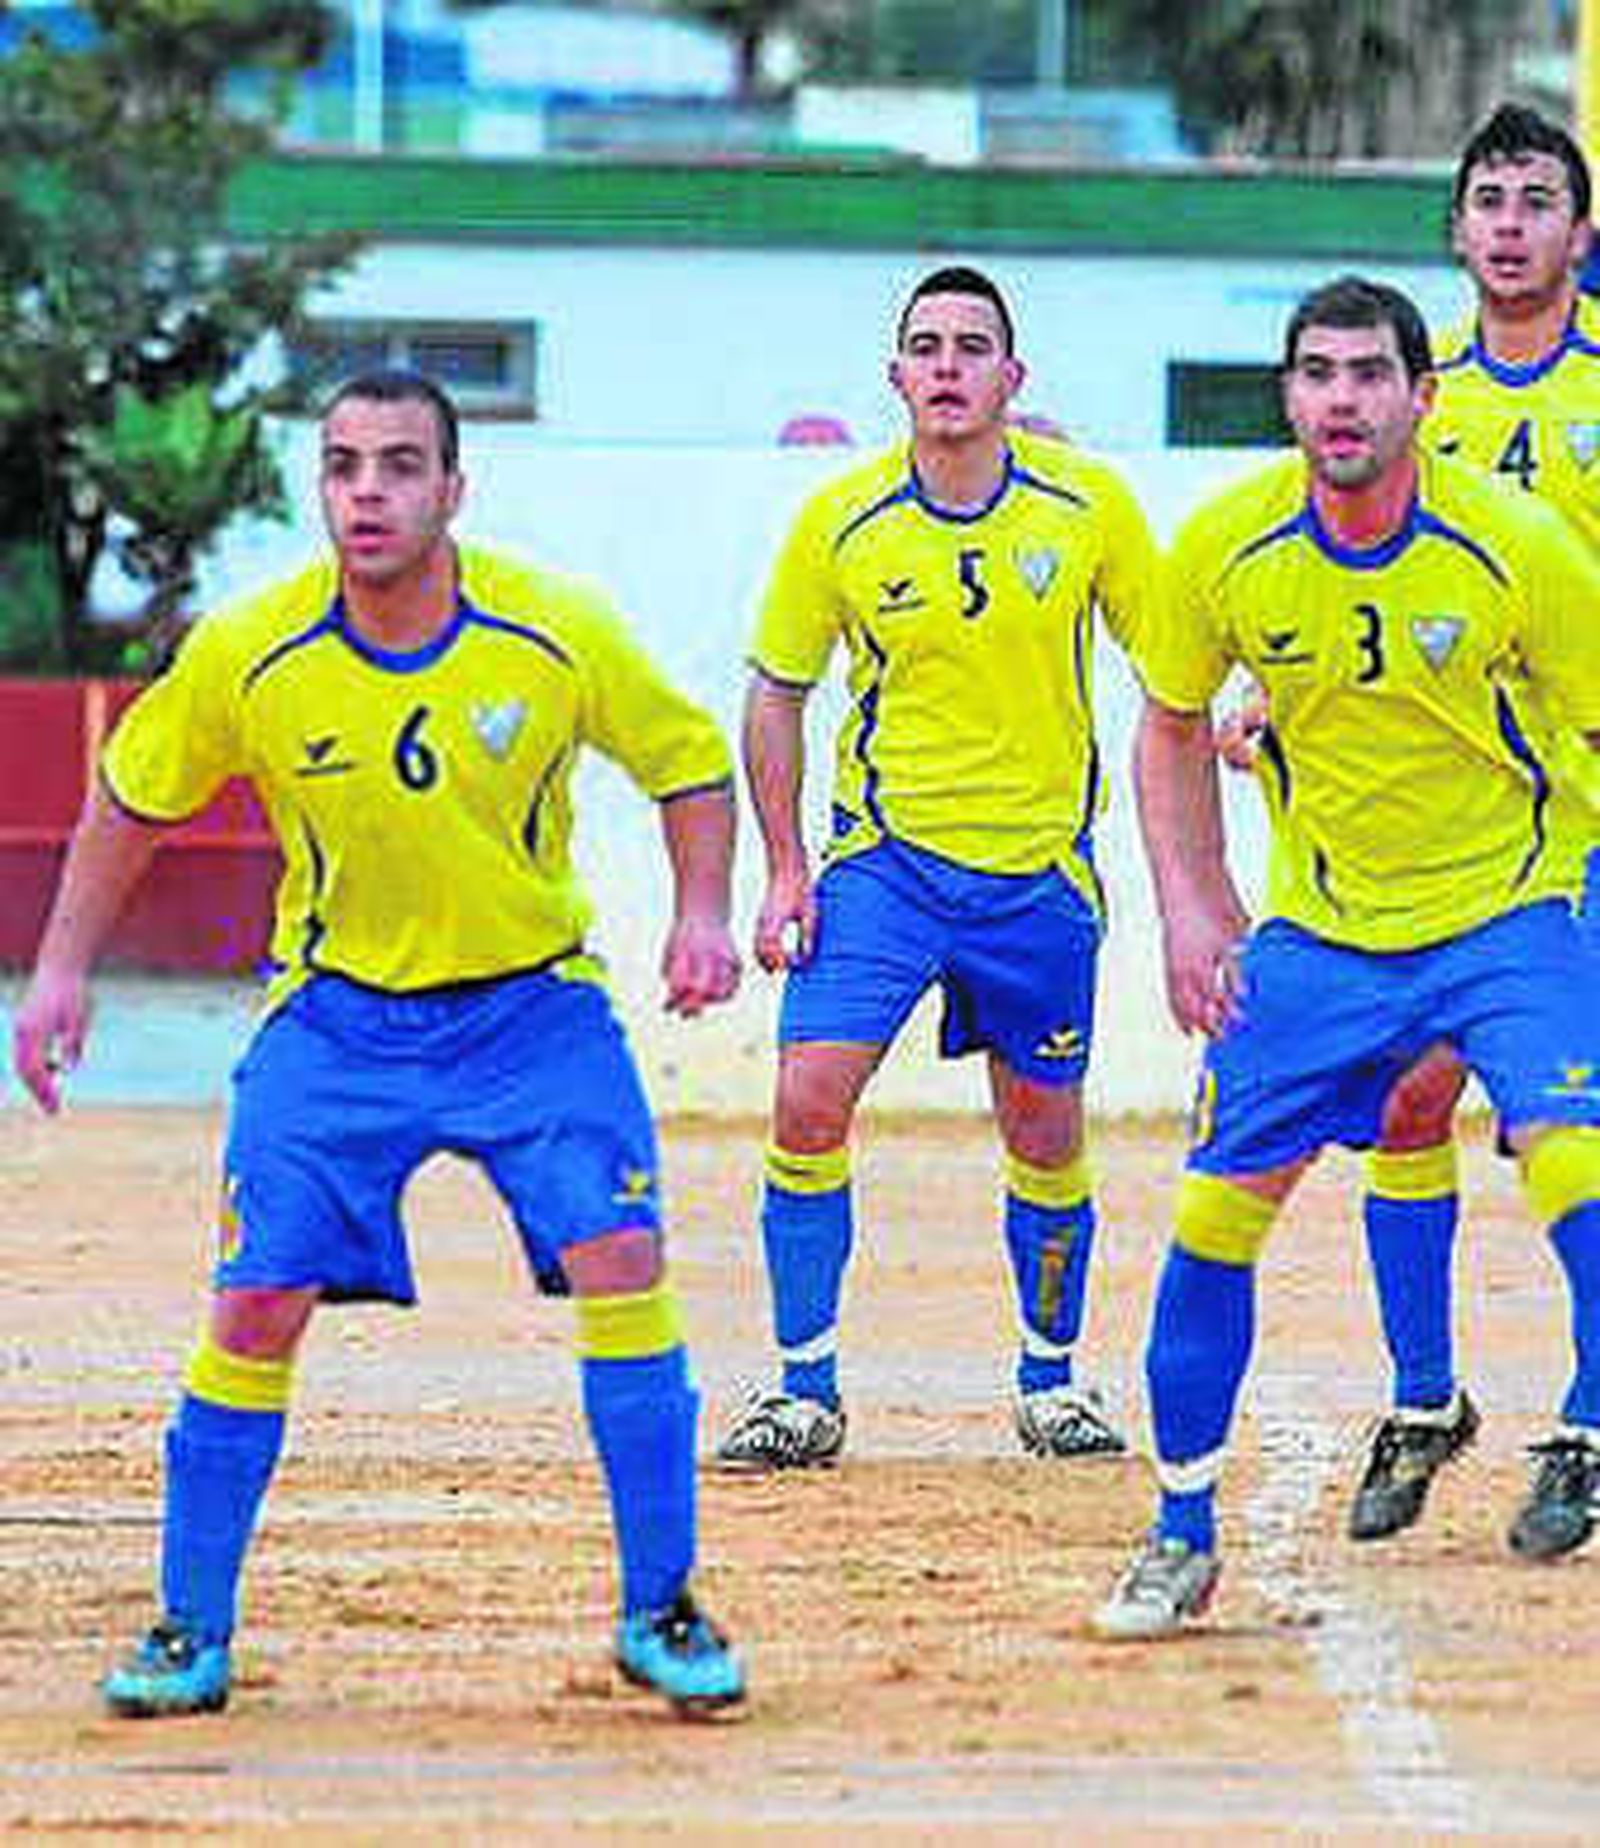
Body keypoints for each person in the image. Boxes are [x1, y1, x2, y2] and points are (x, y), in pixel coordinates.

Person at [10, 370, 748, 1719]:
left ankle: (663, 1604)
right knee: (254, 1299)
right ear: (322, 491)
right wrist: (59, 972)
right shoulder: (254, 650)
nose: (368, 492)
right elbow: (130, 794)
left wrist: (704, 912)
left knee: (623, 1255)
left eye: (400, 466)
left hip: (531, 1007)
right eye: (345, 466)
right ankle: (189, 1627)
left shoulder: (551, 630)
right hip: (337, 1021)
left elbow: (687, 759)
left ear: (452, 491)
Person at [1093, 276, 1600, 1642]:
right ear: (1289, 398)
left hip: (1509, 908)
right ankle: (1182, 1530)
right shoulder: (1225, 547)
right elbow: (1169, 727)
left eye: (1371, 374)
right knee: (1214, 1215)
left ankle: (1590, 1418)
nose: (1342, 400)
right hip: (1323, 930)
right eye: (1317, 375)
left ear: (1423, 399)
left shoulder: (1518, 550)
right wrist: (1196, 908)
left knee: (1572, 1159)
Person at [1221, 104, 1600, 1547]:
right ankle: (1429, 1393)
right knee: (1405, 1100)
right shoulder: (1403, 386)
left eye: (1537, 200)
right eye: (1487, 200)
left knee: (1572, 1122)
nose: (1509, 223)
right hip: (1433, 820)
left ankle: (1588, 1417)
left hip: (1580, 812)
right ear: (1456, 229)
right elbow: (1337, 567)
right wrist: (1263, 690)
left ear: (1578, 230)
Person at [715, 265, 1158, 1471]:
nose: (950, 365)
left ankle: (1050, 1382)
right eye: (927, 346)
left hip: (1036, 881)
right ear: (897, 377)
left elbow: (1170, 648)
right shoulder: (842, 523)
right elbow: (775, 695)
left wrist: (1246, 697)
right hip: (884, 867)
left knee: (1045, 1136)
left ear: (1012, 378)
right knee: (806, 1101)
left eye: (973, 346)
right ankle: (803, 1391)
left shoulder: (1086, 509)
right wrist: (786, 866)